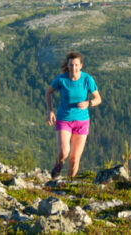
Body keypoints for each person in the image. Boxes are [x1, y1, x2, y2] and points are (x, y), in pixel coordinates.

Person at [45, 51, 101, 179]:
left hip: (82, 121)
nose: (73, 68)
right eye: (71, 65)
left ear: (81, 65)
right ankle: (59, 164)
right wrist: (50, 110)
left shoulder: (87, 79)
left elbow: (98, 99)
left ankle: (68, 184)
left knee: (75, 159)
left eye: (76, 65)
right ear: (67, 65)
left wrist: (88, 103)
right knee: (64, 152)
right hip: (64, 119)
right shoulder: (61, 79)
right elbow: (48, 92)